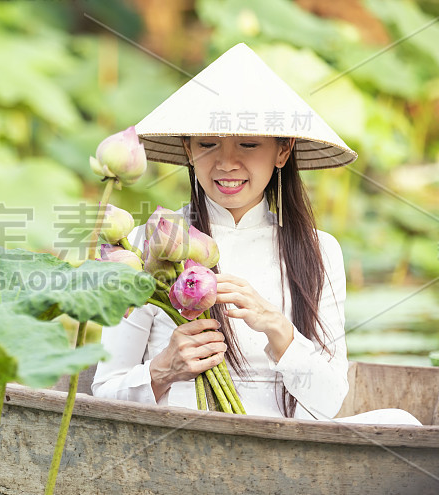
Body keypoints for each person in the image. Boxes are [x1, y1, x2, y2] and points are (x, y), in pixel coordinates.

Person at [91, 43, 421, 425]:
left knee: (401, 422)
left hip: (287, 451)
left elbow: (329, 402)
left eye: (248, 144)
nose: (226, 162)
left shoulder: (320, 251)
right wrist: (164, 369)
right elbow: (105, 390)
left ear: (283, 151)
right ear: (188, 148)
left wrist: (278, 328)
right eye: (207, 143)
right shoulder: (150, 243)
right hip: (180, 444)